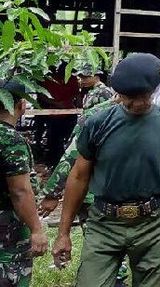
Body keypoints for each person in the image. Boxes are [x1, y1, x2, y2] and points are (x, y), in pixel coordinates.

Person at [52, 53, 160, 287]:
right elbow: (78, 176)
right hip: (105, 222)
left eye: (143, 96)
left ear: (154, 90)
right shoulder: (97, 123)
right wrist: (63, 233)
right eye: (130, 97)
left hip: (153, 223)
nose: (137, 103)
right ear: (119, 94)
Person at [38, 93, 130, 287]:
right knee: (102, 247)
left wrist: (52, 193)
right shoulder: (97, 115)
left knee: (106, 246)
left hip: (118, 195)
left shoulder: (101, 113)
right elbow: (73, 155)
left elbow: (70, 156)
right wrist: (53, 192)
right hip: (98, 196)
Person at [0, 80, 48, 287]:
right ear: (21, 104)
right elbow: (20, 191)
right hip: (8, 229)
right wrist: (36, 230)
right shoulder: (10, 140)